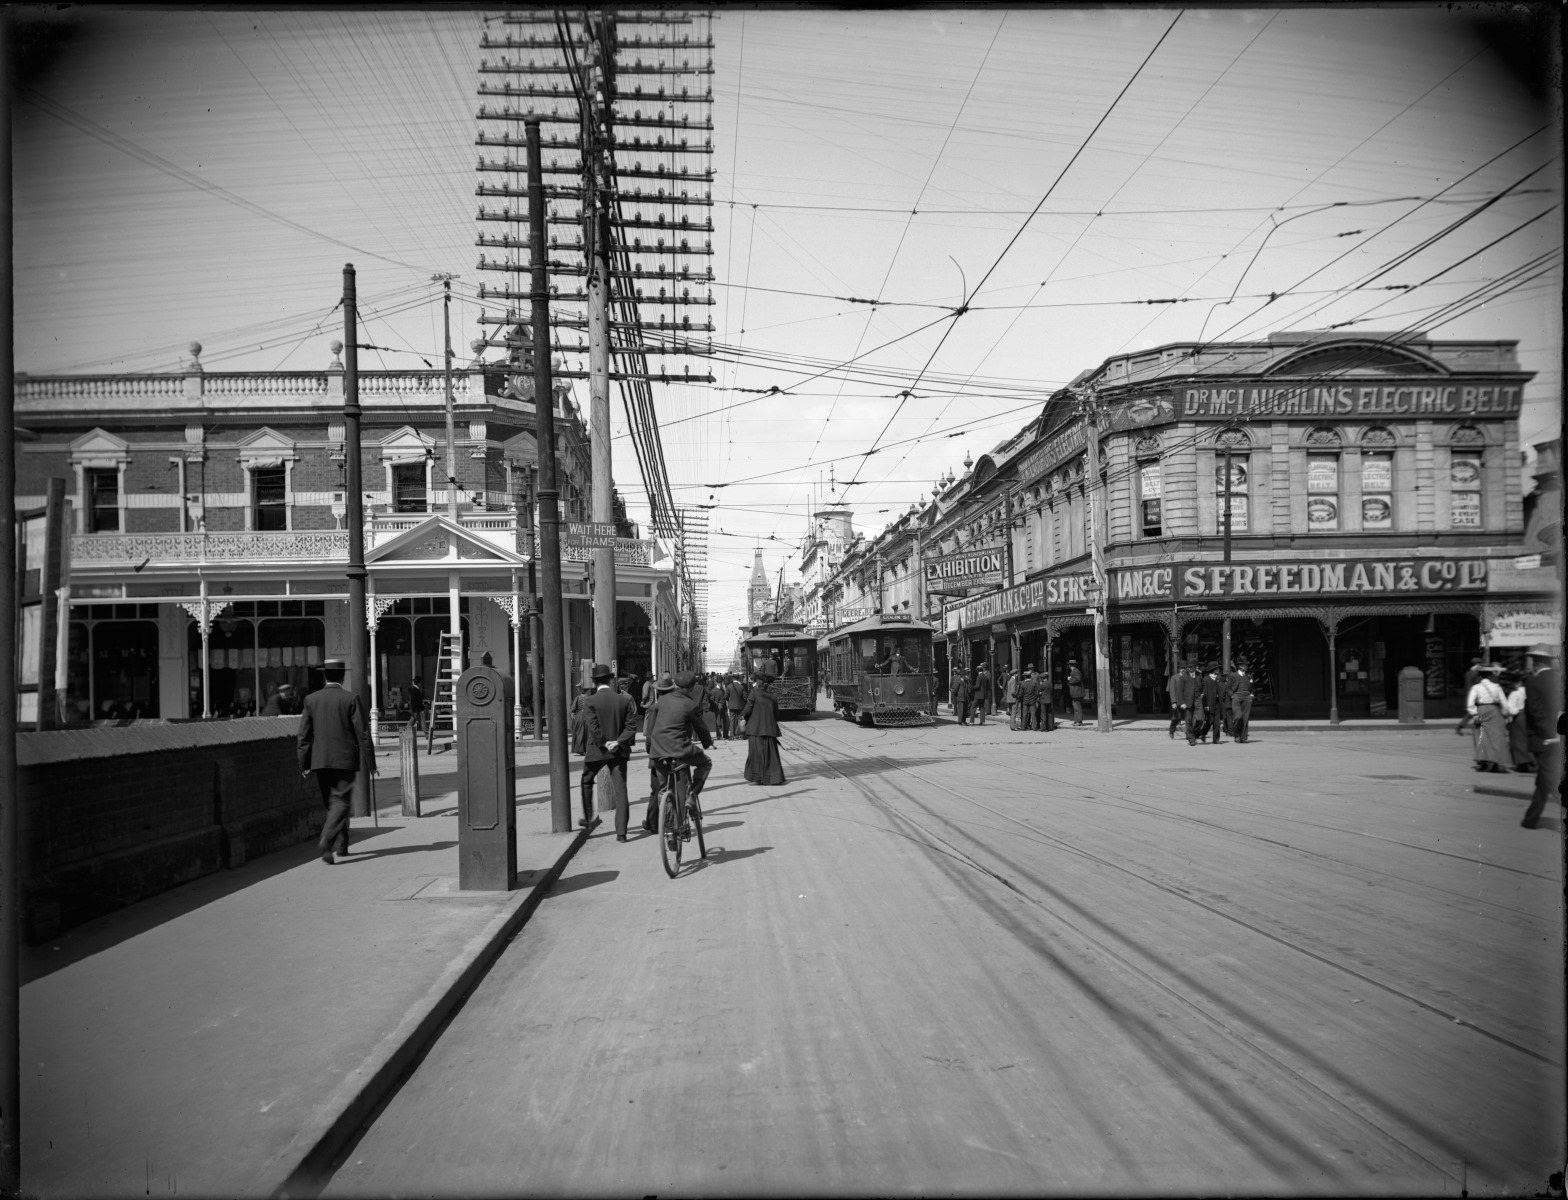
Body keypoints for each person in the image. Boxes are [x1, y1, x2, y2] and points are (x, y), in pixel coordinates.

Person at [297, 659, 376, 865]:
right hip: (345, 761)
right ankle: (328, 839)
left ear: (325, 676)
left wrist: (304, 763)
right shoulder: (351, 699)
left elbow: (303, 736)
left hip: (320, 760)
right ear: (342, 676)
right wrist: (371, 762)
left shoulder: (311, 700)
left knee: (331, 804)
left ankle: (341, 847)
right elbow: (363, 734)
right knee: (340, 803)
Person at [641, 670, 714, 832]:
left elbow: (650, 732)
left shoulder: (660, 703)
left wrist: (651, 750)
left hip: (658, 752)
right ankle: (692, 796)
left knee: (662, 790)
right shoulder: (690, 704)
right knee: (705, 764)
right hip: (680, 751)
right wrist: (708, 742)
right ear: (690, 688)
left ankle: (668, 829)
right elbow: (700, 728)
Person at [581, 663, 638, 840]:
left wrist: (605, 743)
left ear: (595, 682)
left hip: (597, 751)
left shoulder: (589, 701)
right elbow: (631, 727)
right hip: (618, 751)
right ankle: (621, 833)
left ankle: (589, 817)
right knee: (621, 792)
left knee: (586, 780)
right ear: (610, 680)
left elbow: (593, 727)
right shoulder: (624, 700)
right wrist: (617, 742)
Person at [1520, 644, 1562, 829]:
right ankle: (1530, 819)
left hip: (1544, 739)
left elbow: (1536, 714)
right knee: (1544, 781)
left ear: (1535, 663)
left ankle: (1530, 819)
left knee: (1552, 781)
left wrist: (1551, 735)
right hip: (1557, 736)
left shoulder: (1532, 682)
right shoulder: (1559, 679)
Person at [742, 666, 787, 785]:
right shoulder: (773, 698)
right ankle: (774, 778)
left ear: (757, 683)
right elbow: (776, 715)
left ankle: (758, 778)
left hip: (755, 729)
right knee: (771, 755)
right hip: (770, 730)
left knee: (756, 754)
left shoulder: (754, 694)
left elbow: (747, 710)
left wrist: (743, 718)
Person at [1466, 663, 1511, 772]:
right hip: (1494, 711)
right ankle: (1495, 762)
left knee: (1481, 737)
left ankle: (1483, 761)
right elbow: (1504, 703)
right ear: (1490, 675)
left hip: (1481, 710)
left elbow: (1470, 704)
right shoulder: (1497, 687)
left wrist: (1475, 715)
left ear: (1480, 676)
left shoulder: (1476, 687)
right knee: (1496, 737)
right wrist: (1507, 713)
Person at [1225, 659, 1255, 744]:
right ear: (1240, 666)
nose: (1247, 666)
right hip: (1236, 697)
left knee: (1245, 718)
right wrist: (1232, 695)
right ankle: (1236, 734)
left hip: (1247, 698)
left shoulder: (1249, 675)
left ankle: (1243, 737)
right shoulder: (1233, 675)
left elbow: (1253, 688)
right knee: (1238, 717)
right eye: (1245, 665)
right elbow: (1228, 688)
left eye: (1247, 665)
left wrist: (1251, 695)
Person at [1195, 662, 1225, 745]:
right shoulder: (1206, 680)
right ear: (1213, 670)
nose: (1218, 670)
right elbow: (1204, 694)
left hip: (1217, 702)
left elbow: (1222, 689)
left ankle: (1216, 739)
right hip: (1209, 703)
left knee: (1217, 722)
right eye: (1217, 668)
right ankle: (1203, 732)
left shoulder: (1219, 678)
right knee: (1210, 720)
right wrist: (1206, 705)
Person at [1455, 656, 1486, 734]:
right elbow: (1478, 684)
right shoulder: (1476, 673)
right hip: (1475, 695)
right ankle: (1462, 726)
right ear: (1477, 664)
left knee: (1472, 712)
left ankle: (1461, 726)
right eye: (1480, 663)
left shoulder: (1468, 673)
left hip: (1469, 694)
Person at [1167, 661, 1195, 740]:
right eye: (1181, 668)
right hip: (1178, 702)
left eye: (1184, 668)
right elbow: (1172, 691)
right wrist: (1174, 702)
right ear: (1179, 669)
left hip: (1187, 701)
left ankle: (1188, 735)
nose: (1183, 670)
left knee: (1188, 719)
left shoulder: (1189, 677)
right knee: (1177, 717)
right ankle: (1171, 730)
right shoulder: (1174, 677)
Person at [725, 672, 747, 740]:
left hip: (731, 706)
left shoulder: (729, 686)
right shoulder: (741, 687)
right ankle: (739, 734)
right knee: (740, 720)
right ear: (738, 678)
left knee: (732, 720)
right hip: (740, 705)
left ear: (732, 678)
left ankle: (732, 735)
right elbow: (745, 697)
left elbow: (725, 697)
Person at [1066, 659, 1085, 726]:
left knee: (1077, 707)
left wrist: (1070, 679)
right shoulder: (1074, 671)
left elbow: (1078, 679)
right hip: (1075, 692)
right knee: (1075, 707)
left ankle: (1079, 721)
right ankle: (1077, 720)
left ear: (1070, 665)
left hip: (1077, 692)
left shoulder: (1075, 671)